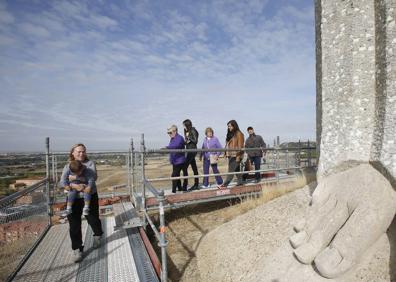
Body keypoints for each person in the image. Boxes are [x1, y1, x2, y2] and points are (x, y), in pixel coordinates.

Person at [60, 143, 103, 263]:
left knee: (93, 219)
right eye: (78, 151)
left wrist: (73, 179)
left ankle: (98, 235)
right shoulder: (68, 166)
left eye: (83, 151)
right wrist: (73, 185)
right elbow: (62, 182)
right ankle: (77, 249)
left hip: (89, 196)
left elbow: (93, 178)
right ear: (73, 153)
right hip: (73, 198)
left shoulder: (90, 164)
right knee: (74, 224)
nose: (81, 153)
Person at [218, 120, 245, 188]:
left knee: (231, 170)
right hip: (230, 155)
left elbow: (240, 146)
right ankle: (240, 182)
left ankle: (225, 185)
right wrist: (225, 153)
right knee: (236, 169)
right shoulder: (230, 134)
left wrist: (238, 157)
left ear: (234, 126)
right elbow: (227, 145)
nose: (229, 128)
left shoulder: (239, 134)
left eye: (230, 126)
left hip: (236, 155)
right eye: (228, 126)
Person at [166, 125, 188, 193]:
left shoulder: (179, 138)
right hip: (175, 160)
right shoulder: (172, 138)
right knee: (177, 175)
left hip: (180, 160)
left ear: (175, 131)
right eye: (168, 133)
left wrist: (167, 147)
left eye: (170, 133)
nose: (169, 134)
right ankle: (180, 188)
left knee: (174, 175)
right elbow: (172, 146)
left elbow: (176, 146)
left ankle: (174, 191)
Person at [182, 119, 200, 191]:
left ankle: (185, 186)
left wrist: (188, 137)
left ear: (187, 124)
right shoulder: (188, 131)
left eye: (184, 125)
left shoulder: (193, 130)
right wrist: (185, 141)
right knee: (194, 168)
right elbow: (188, 142)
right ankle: (196, 184)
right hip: (190, 150)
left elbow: (195, 141)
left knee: (184, 167)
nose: (183, 126)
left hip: (192, 151)